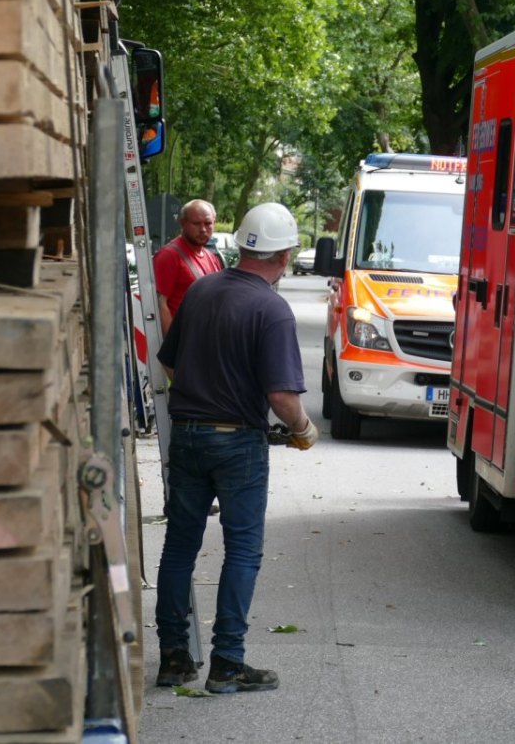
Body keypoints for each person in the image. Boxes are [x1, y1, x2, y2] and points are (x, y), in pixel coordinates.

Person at [153, 202, 320, 694]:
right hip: (238, 442)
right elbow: (282, 398)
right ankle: (226, 662)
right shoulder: (271, 309)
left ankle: (173, 657)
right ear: (284, 255)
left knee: (180, 544)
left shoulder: (202, 290)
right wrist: (304, 430)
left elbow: (171, 362)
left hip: (187, 434)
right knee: (242, 550)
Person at [153, 199, 224, 333]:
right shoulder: (169, 256)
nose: (203, 229)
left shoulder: (212, 257)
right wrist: (172, 348)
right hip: (184, 345)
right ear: (183, 223)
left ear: (214, 223)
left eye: (208, 223)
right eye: (196, 223)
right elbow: (159, 304)